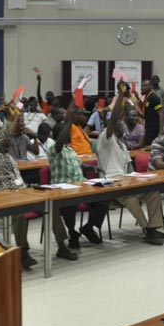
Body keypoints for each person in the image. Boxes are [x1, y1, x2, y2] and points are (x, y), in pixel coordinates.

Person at [0, 108, 74, 266]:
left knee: (51, 203)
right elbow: (2, 140)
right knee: (19, 212)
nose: (6, 141)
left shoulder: (9, 157)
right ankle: (23, 252)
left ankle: (62, 245)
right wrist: (14, 118)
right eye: (2, 139)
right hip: (6, 195)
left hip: (22, 191)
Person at [98, 84, 164, 245]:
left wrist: (137, 179)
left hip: (128, 180)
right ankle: (147, 230)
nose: (122, 125)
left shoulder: (122, 145)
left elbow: (130, 168)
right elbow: (115, 118)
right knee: (130, 198)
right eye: (118, 125)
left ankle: (154, 227)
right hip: (112, 182)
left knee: (153, 191)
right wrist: (121, 96)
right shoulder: (105, 139)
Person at [50, 104, 107, 249]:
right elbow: (59, 142)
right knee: (70, 207)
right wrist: (69, 120)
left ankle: (88, 227)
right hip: (64, 190)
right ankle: (72, 233)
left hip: (81, 186)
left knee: (103, 201)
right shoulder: (54, 149)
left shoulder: (70, 150)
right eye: (66, 132)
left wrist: (93, 168)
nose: (70, 134)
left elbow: (79, 165)